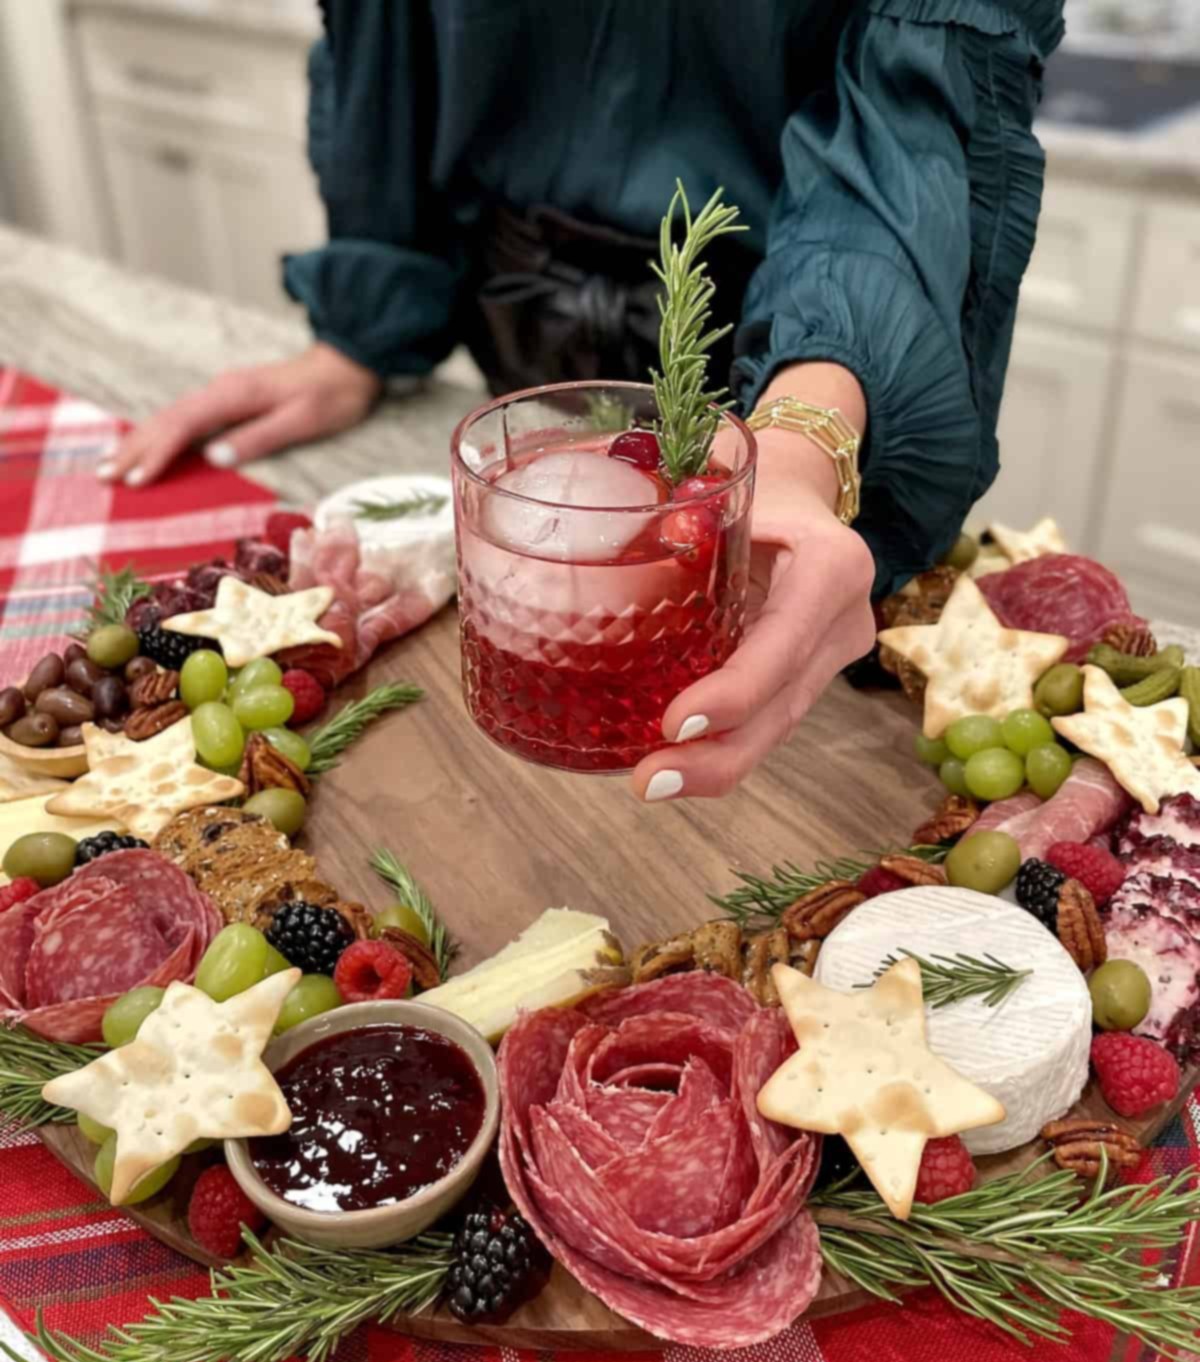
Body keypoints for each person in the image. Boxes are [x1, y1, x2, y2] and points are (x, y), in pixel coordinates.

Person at [99, 1, 1065, 802]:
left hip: (799, 376)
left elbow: (920, 99)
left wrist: (800, 446)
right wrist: (368, 312)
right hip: (512, 351)